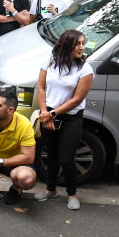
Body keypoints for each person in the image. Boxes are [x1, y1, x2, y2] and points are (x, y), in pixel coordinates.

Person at [34, 30, 95, 210]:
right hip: (49, 113)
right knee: (50, 154)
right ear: (67, 45)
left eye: (83, 43)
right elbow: (41, 87)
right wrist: (45, 112)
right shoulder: (50, 61)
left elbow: (76, 99)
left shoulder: (85, 69)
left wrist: (52, 114)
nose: (82, 48)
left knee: (67, 158)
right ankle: (50, 189)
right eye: (78, 44)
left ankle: (72, 193)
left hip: (70, 117)